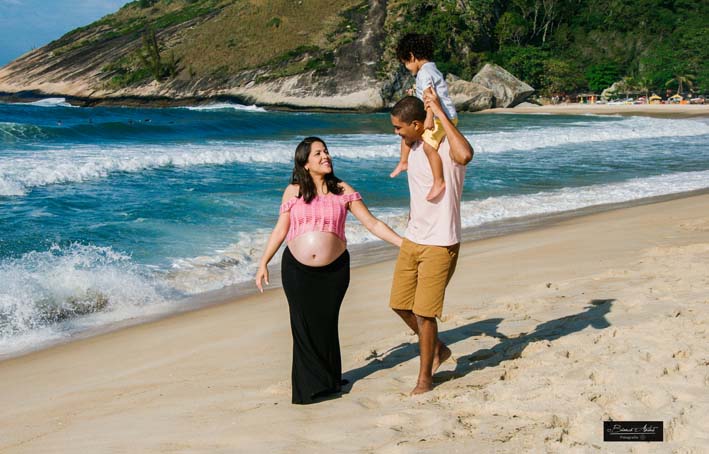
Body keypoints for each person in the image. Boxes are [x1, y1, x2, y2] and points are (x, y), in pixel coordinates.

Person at [255, 136, 402, 405]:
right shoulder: (294, 191)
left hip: (335, 271)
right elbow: (281, 229)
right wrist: (263, 262)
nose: (326, 156)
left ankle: (331, 380)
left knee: (326, 323)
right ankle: (310, 390)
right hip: (297, 271)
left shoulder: (343, 190)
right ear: (305, 163)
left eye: (326, 152)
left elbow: (372, 223)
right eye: (318, 153)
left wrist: (403, 244)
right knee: (303, 326)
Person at [388, 92, 473, 395]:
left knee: (425, 313)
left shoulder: (445, 146)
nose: (396, 134)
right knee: (399, 303)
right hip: (414, 238)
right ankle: (438, 348)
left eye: (399, 128)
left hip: (441, 242)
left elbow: (466, 154)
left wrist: (438, 110)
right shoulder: (413, 146)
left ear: (415, 124)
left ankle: (425, 378)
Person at [390, 33, 459, 202]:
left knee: (428, 147)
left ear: (412, 56)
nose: (407, 67)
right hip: (444, 115)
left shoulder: (423, 74)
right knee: (406, 135)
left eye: (405, 62)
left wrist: (429, 118)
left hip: (439, 118)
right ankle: (404, 161)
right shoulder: (432, 69)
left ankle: (438, 181)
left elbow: (430, 96)